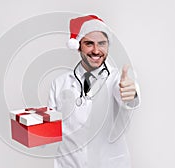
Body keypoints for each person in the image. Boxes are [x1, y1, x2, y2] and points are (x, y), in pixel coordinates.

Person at [48, 15, 141, 168]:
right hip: (69, 164)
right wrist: (30, 128)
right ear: (78, 46)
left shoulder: (118, 78)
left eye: (102, 44)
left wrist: (131, 95)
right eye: (89, 44)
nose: (96, 50)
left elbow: (127, 96)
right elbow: (50, 130)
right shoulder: (60, 83)